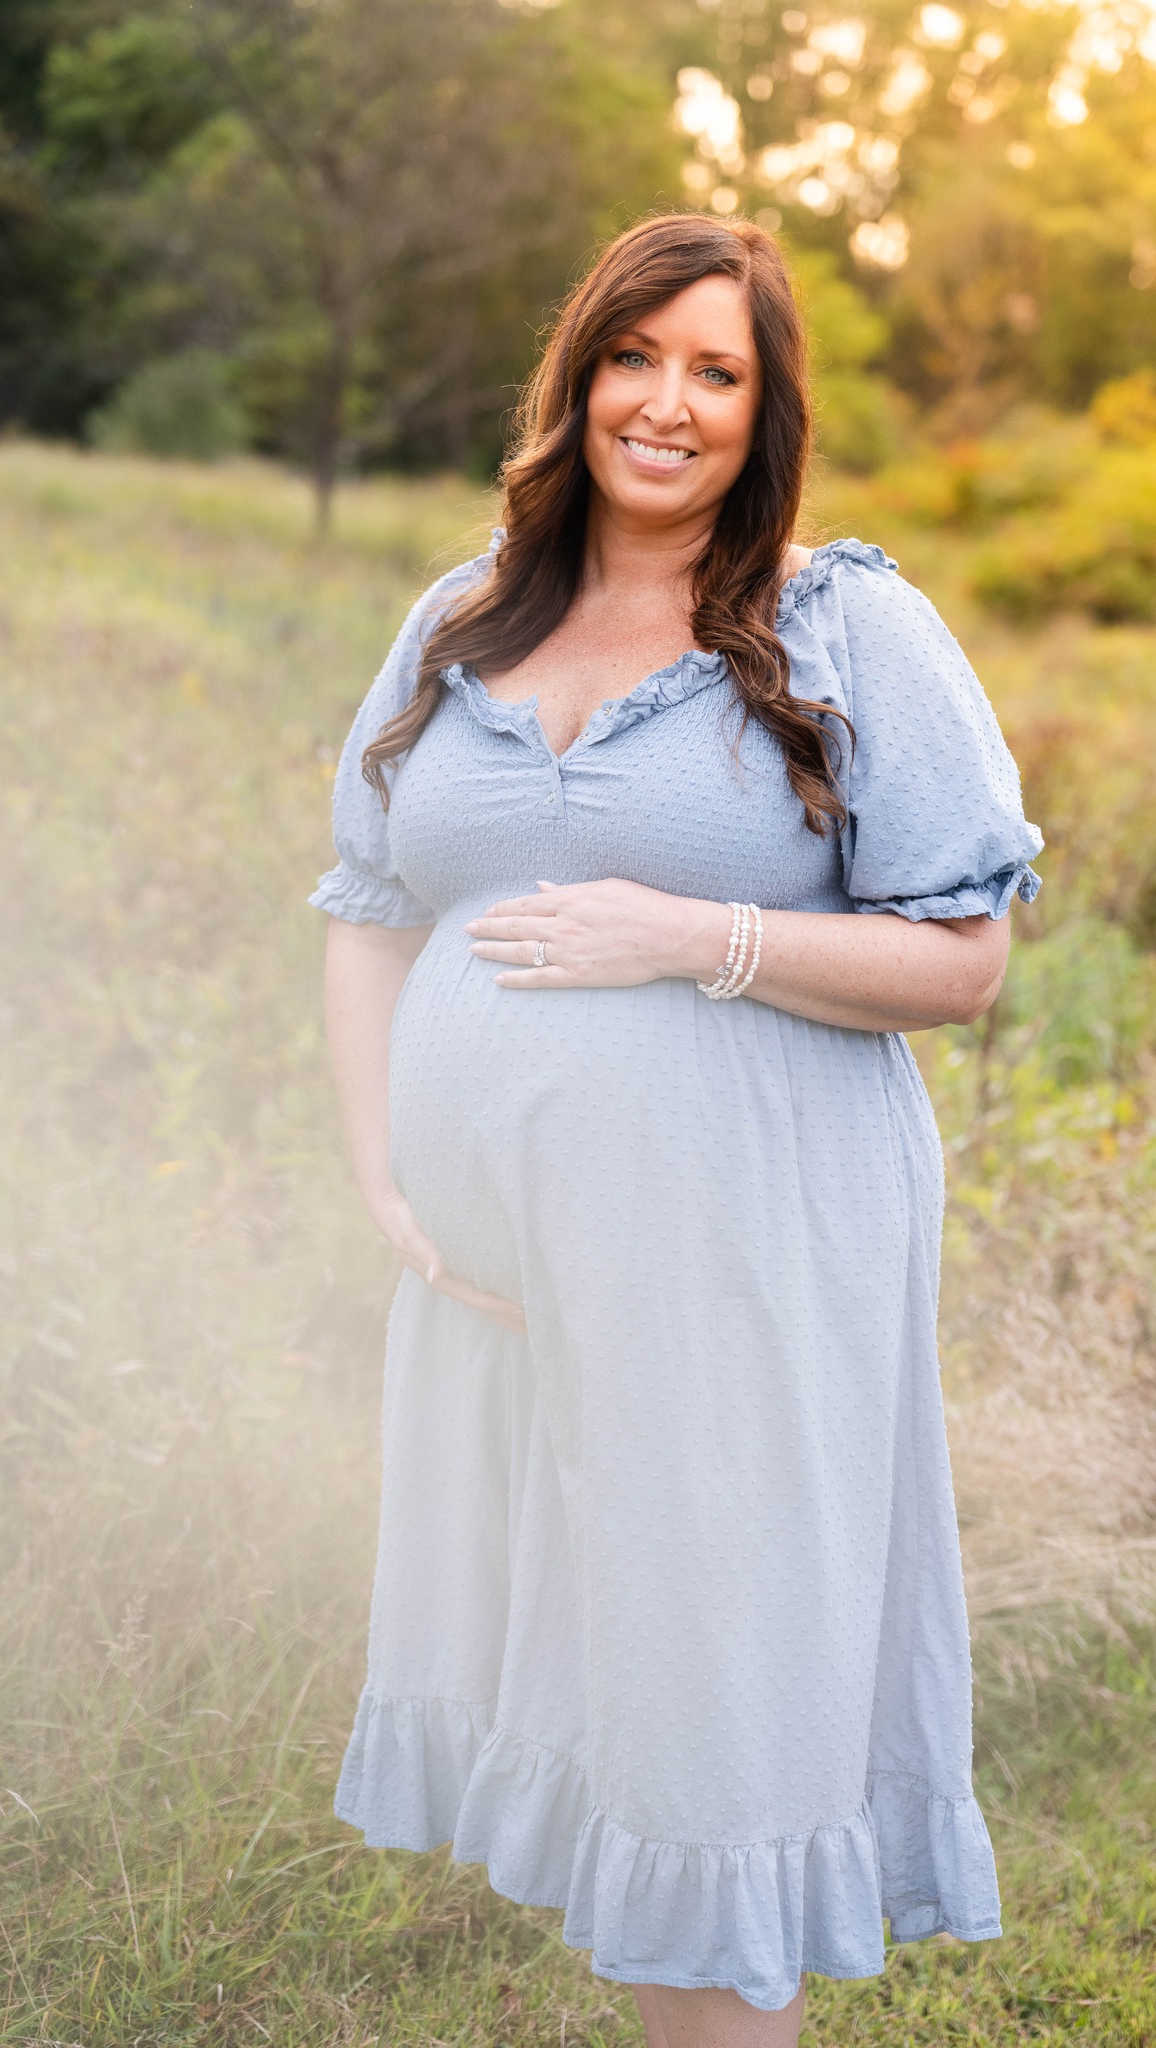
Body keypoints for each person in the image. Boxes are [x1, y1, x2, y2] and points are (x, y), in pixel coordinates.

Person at [311, 213, 1041, 2048]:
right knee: (597, 1694)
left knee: (709, 1711)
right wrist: (390, 1178)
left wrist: (691, 938)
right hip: (495, 1294)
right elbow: (366, 910)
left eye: (717, 371)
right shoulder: (462, 613)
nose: (667, 402)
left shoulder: (842, 622)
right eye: (637, 356)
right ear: (579, 378)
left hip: (743, 1267)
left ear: (763, 410)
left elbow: (962, 963)